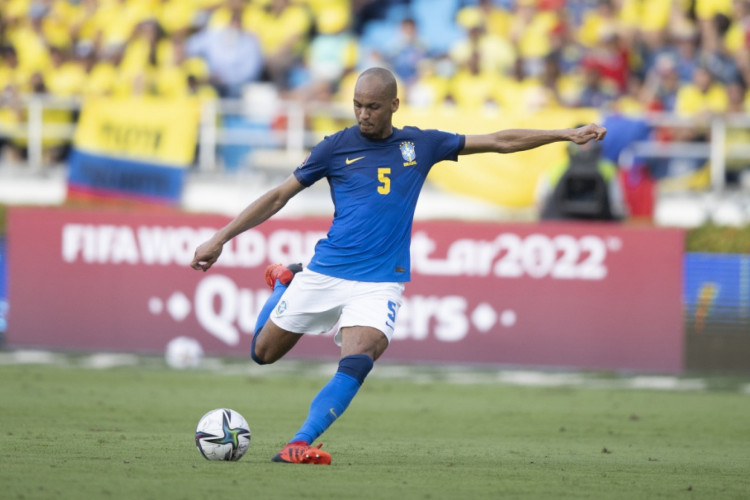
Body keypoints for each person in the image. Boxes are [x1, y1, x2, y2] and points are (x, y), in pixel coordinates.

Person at [190, 67, 607, 465]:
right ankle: (284, 282)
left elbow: (499, 140)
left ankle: (298, 443)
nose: (363, 114)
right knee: (262, 355)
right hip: (326, 272)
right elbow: (279, 195)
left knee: (362, 355)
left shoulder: (421, 145)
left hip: (380, 283)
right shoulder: (335, 147)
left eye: (372, 107)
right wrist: (220, 237)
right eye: (357, 105)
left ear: (394, 105)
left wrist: (564, 134)